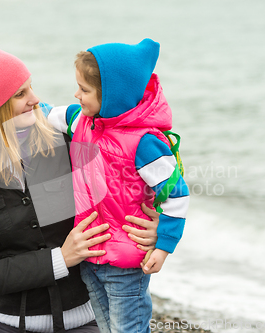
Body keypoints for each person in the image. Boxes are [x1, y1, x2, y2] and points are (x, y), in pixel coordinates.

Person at [0, 42, 159, 333]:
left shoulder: (69, 142)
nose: (35, 99)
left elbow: (134, 185)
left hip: (88, 318)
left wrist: (153, 227)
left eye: (31, 88)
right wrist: (61, 258)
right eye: (20, 94)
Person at [47, 38, 190, 333]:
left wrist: (163, 246)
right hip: (91, 256)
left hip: (125, 264)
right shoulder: (81, 121)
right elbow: (46, 113)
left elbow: (177, 194)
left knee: (129, 329)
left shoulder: (145, 144)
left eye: (84, 90)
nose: (76, 95)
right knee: (105, 326)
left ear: (112, 95)